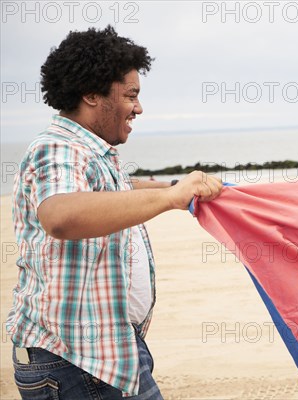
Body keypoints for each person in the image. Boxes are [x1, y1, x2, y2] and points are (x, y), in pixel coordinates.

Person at [7, 26, 222, 399]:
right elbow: (60, 215)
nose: (138, 108)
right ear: (91, 94)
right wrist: (171, 200)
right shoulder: (59, 148)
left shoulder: (91, 151)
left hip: (104, 353)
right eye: (131, 95)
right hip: (73, 361)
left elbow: (117, 190)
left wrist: (179, 190)